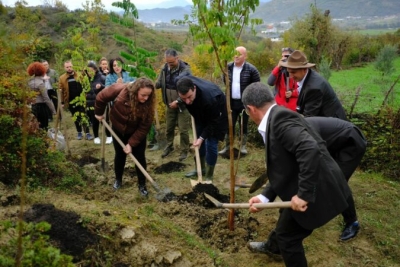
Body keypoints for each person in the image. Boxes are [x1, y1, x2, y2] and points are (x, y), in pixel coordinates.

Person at [242, 82, 353, 267]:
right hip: (311, 183)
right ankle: (273, 247)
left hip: (320, 189)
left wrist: (304, 194)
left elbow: (309, 149)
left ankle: (278, 247)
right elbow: (285, 167)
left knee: (288, 237)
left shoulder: (280, 121)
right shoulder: (278, 117)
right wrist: (265, 196)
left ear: (251, 109)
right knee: (285, 227)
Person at [306, 116, 366, 241]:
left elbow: (312, 157)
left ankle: (352, 222)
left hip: (351, 142)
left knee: (337, 181)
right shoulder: (294, 127)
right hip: (334, 143)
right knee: (323, 176)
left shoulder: (302, 130)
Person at [94, 77, 156, 196]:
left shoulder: (148, 106)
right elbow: (101, 97)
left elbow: (144, 127)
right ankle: (118, 180)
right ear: (136, 90)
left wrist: (131, 143)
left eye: (148, 95)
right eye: (143, 95)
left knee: (139, 157)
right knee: (120, 155)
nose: (146, 98)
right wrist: (98, 113)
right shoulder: (120, 89)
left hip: (136, 132)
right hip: (118, 129)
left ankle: (142, 185)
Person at [176, 76, 228, 181]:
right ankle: (200, 169)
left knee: (211, 144)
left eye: (189, 97)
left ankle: (209, 176)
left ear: (194, 88)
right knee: (198, 142)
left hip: (217, 116)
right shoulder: (182, 84)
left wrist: (202, 138)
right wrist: (178, 101)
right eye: (183, 98)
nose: (187, 101)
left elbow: (212, 123)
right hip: (200, 113)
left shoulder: (210, 99)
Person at [280, 50, 347, 120]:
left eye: (293, 72)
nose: (291, 76)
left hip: (333, 126)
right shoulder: (307, 77)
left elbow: (308, 118)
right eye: (289, 72)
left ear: (304, 69)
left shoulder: (314, 88)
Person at [219, 46, 260, 155]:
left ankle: (242, 147)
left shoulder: (251, 69)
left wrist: (252, 101)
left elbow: (257, 86)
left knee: (243, 125)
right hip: (231, 103)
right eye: (234, 54)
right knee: (229, 124)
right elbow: (225, 82)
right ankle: (228, 146)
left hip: (245, 103)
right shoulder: (227, 68)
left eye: (239, 54)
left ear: (245, 56)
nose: (236, 56)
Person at [155, 48, 192, 161]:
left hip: (182, 105)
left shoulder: (185, 70)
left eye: (172, 62)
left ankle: (184, 150)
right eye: (167, 62)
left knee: (183, 130)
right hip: (169, 104)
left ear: (177, 58)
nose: (169, 65)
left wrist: (178, 102)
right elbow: (159, 83)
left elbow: (189, 89)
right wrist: (151, 85)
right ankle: (169, 146)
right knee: (169, 128)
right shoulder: (164, 69)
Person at [59, 60, 93, 140]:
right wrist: (62, 102)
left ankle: (87, 133)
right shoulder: (62, 78)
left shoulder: (79, 74)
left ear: (73, 66)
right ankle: (79, 132)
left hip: (81, 99)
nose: (69, 68)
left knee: (84, 115)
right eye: (67, 67)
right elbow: (61, 91)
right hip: (71, 101)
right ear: (64, 68)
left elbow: (86, 82)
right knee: (75, 116)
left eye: (70, 66)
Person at [86, 61, 112, 144]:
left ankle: (109, 136)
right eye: (88, 71)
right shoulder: (86, 79)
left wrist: (101, 87)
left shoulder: (101, 77)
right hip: (90, 103)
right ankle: (96, 137)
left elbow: (108, 88)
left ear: (95, 70)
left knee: (104, 120)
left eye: (91, 70)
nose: (90, 73)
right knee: (94, 121)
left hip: (101, 103)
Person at [267, 47, 298, 111]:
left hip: (293, 108)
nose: (284, 58)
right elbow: (270, 82)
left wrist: (292, 93)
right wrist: (278, 67)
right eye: (282, 56)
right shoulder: (279, 70)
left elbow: (302, 89)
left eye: (286, 56)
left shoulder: (298, 71)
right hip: (279, 107)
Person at [27, 62, 56, 130]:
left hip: (33, 106)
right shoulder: (40, 83)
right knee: (44, 126)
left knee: (36, 127)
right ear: (42, 71)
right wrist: (53, 110)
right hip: (41, 107)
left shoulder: (30, 82)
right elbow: (46, 98)